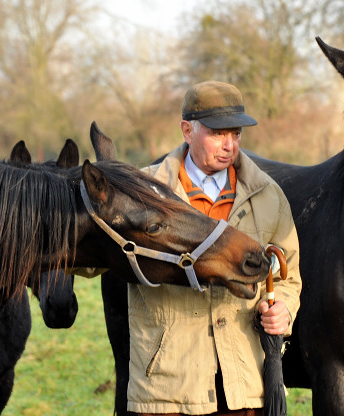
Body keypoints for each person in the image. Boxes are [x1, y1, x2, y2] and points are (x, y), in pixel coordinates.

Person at [127, 80, 302, 416]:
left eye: (235, 134)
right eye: (218, 134)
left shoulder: (268, 196)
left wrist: (285, 311)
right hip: (166, 389)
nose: (230, 145)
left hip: (244, 389)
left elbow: (288, 278)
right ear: (187, 130)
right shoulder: (144, 192)